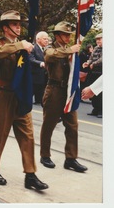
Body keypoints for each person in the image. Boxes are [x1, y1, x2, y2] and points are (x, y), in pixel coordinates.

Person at [0, 10, 48, 190]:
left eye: (19, 25)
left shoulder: (25, 45)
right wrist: (19, 45)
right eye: (14, 25)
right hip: (4, 93)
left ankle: (30, 174)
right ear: (5, 28)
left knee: (27, 136)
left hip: (21, 94)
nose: (18, 28)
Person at [39, 21, 87, 173]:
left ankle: (71, 158)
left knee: (72, 125)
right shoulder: (50, 48)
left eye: (69, 35)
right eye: (65, 35)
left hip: (68, 92)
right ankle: (45, 155)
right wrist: (70, 51)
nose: (67, 38)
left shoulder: (69, 49)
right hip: (54, 91)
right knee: (49, 125)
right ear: (57, 35)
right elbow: (50, 56)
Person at [83, 33, 103, 117]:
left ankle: (101, 110)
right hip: (94, 72)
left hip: (101, 72)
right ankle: (95, 109)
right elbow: (91, 58)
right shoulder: (95, 48)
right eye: (97, 39)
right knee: (93, 91)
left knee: (100, 93)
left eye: (100, 39)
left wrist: (93, 64)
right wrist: (87, 63)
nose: (98, 41)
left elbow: (102, 59)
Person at [29, 31, 49, 106]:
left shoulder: (47, 49)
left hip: (43, 77)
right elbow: (31, 59)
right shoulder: (33, 48)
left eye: (47, 39)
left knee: (41, 98)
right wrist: (40, 63)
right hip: (34, 76)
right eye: (44, 39)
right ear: (38, 39)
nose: (46, 41)